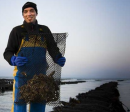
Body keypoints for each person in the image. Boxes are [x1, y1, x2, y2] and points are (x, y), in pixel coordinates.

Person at [3, 2, 66, 112]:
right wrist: (12, 59)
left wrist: (58, 57)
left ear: (36, 13)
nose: (29, 14)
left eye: (32, 11)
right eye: (25, 12)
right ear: (23, 15)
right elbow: (7, 52)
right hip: (22, 75)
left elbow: (53, 48)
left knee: (38, 107)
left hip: (41, 77)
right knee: (19, 106)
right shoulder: (17, 31)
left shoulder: (44, 30)